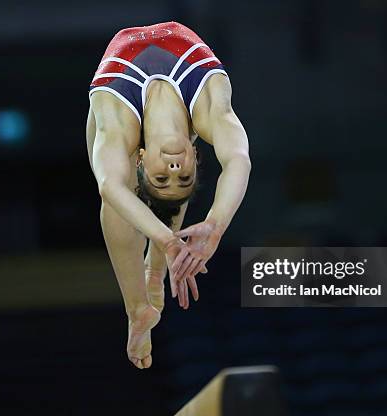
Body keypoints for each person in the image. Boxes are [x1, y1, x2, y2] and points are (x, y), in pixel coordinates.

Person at [86, 21, 250, 369]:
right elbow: (238, 158)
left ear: (143, 158)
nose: (175, 170)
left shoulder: (116, 115)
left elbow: (110, 186)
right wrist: (212, 226)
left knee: (116, 185)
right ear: (195, 151)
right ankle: (145, 287)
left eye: (161, 176)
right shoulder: (208, 104)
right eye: (184, 175)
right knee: (120, 193)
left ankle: (139, 306)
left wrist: (169, 240)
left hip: (120, 83)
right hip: (182, 62)